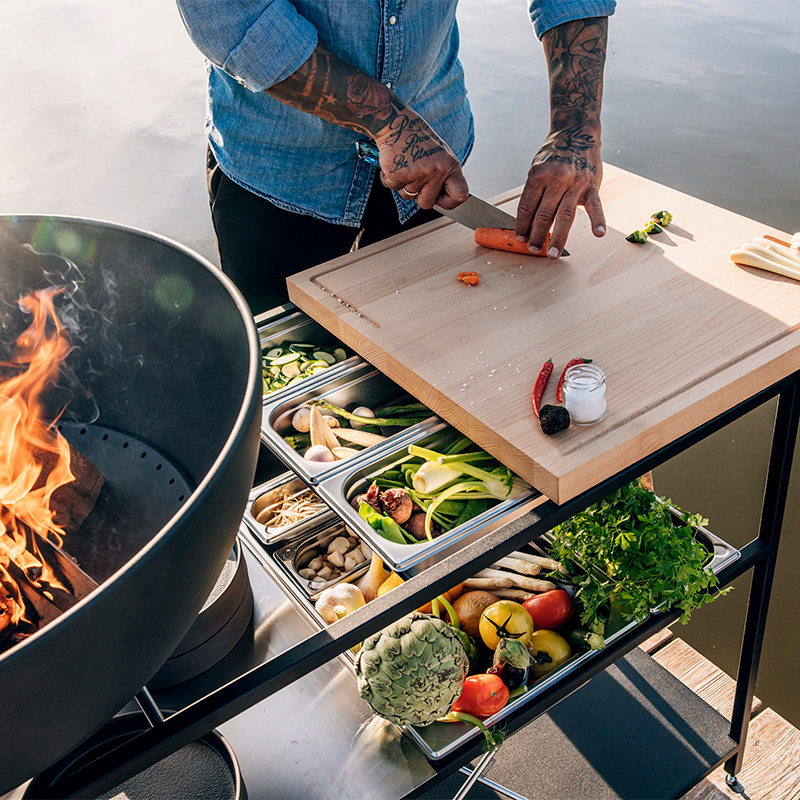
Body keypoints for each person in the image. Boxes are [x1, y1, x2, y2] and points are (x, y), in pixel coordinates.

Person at [176, 1, 614, 314]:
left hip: (432, 163)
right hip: (281, 171)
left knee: (426, 346)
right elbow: (230, 15)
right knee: (283, 369)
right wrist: (388, 121)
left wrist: (577, 127)